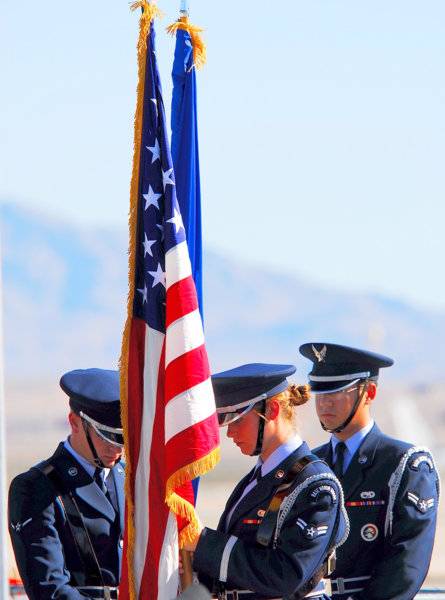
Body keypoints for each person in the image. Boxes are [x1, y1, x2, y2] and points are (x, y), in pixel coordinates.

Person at [184, 363, 349, 600]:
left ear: (271, 410)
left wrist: (204, 544)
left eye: (238, 420)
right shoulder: (253, 481)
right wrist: (195, 559)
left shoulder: (314, 485)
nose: (229, 433)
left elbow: (286, 575)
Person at [299, 343, 440, 600]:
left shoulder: (404, 464)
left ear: (370, 392)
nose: (324, 402)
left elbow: (407, 563)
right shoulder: (310, 464)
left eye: (337, 391)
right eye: (319, 392)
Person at [9, 368, 125, 600]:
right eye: (106, 436)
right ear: (74, 423)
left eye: (124, 438)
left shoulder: (127, 477)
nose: (117, 449)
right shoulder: (36, 487)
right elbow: (50, 590)